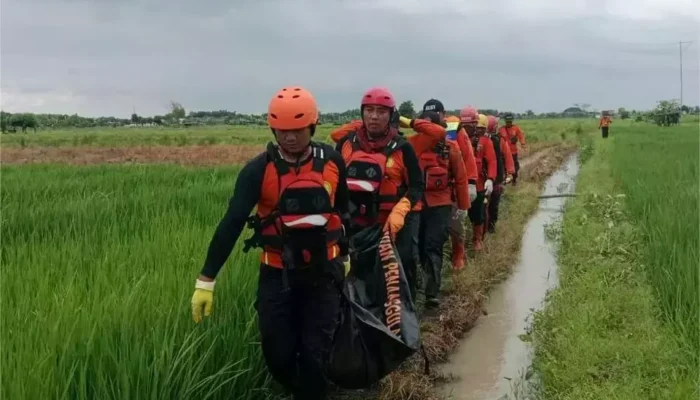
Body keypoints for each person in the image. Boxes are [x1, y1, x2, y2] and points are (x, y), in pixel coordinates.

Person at [190, 86, 350, 400]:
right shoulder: (257, 170)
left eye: (297, 131)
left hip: (324, 272)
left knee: (316, 354)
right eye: (282, 131)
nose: (289, 138)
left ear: (312, 126)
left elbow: (343, 210)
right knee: (278, 357)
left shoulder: (332, 161)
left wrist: (346, 254)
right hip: (277, 275)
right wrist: (206, 279)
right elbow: (232, 222)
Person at [329, 88, 446, 301]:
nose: (374, 116)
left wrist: (401, 210)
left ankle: (405, 314)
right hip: (358, 220)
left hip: (396, 220)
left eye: (381, 112)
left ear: (391, 115)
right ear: (362, 113)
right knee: (359, 268)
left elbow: (417, 186)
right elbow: (334, 181)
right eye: (369, 110)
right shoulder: (346, 143)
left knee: (404, 262)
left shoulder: (403, 147)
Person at [415, 100, 469, 308]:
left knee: (433, 246)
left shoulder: (450, 146)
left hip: (441, 203)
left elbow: (461, 177)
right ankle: (419, 284)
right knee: (417, 246)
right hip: (417, 205)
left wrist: (462, 207)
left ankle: (432, 292)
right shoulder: (414, 143)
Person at [445, 113, 478, 270]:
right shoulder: (423, 133)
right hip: (431, 188)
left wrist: (470, 182)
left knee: (455, 222)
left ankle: (459, 254)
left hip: (455, 185)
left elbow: (467, 157)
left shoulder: (452, 129)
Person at [467, 114, 497, 251]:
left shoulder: (486, 142)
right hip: (461, 183)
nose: (477, 130)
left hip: (479, 184)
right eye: (475, 127)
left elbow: (491, 161)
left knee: (478, 212)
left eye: (480, 128)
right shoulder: (462, 138)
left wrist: (490, 178)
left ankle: (477, 239)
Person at [485, 115, 515, 234]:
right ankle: (490, 227)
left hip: (485, 178)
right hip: (495, 178)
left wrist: (510, 173)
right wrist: (510, 173)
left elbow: (507, 158)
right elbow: (508, 157)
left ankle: (488, 228)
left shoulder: (480, 140)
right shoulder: (499, 140)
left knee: (487, 205)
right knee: (493, 205)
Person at [498, 112, 526, 185]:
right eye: (507, 121)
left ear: (512, 121)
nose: (509, 123)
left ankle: (514, 180)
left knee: (515, 167)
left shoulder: (516, 128)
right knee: (504, 167)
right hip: (504, 153)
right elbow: (497, 139)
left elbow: (521, 136)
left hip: (513, 152)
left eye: (510, 121)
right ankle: (504, 180)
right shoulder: (501, 130)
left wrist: (523, 143)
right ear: (505, 121)